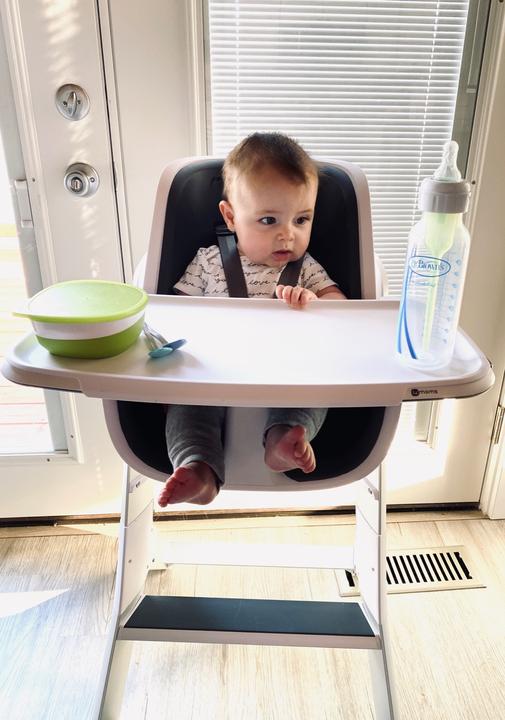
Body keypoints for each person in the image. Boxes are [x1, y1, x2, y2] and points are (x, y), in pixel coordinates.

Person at [158, 132, 346, 507]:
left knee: (313, 391)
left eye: (302, 219)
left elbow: (342, 312)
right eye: (268, 220)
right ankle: (197, 469)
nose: (287, 235)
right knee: (186, 403)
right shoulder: (208, 261)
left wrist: (314, 304)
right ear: (231, 217)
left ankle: (283, 442)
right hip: (212, 373)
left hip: (287, 372)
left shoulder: (306, 268)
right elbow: (175, 313)